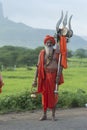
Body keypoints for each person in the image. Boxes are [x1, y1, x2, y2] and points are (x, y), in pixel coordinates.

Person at [32, 35, 66, 121]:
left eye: (51, 42)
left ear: (53, 44)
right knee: (44, 95)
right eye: (47, 42)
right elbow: (38, 66)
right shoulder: (42, 53)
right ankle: (44, 115)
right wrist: (34, 79)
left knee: (54, 95)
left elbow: (61, 65)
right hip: (44, 76)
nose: (49, 44)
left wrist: (58, 75)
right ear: (45, 43)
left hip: (54, 77)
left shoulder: (57, 53)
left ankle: (53, 115)